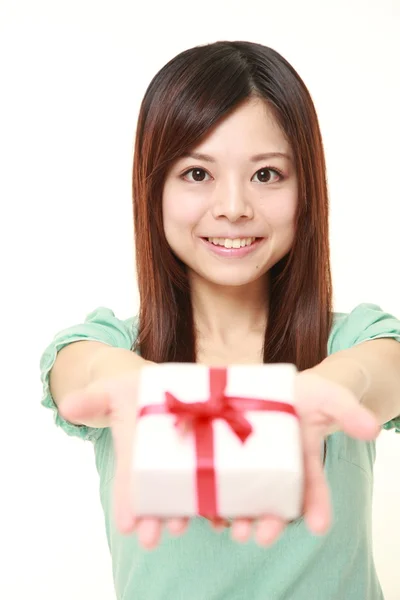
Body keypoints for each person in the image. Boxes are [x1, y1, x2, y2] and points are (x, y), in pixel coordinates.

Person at [40, 41, 400, 600]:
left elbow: (383, 371)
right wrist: (145, 390)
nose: (233, 206)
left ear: (307, 186)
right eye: (196, 173)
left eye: (266, 174)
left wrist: (318, 396)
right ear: (152, 187)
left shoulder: (350, 339)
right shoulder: (114, 342)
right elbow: (82, 372)